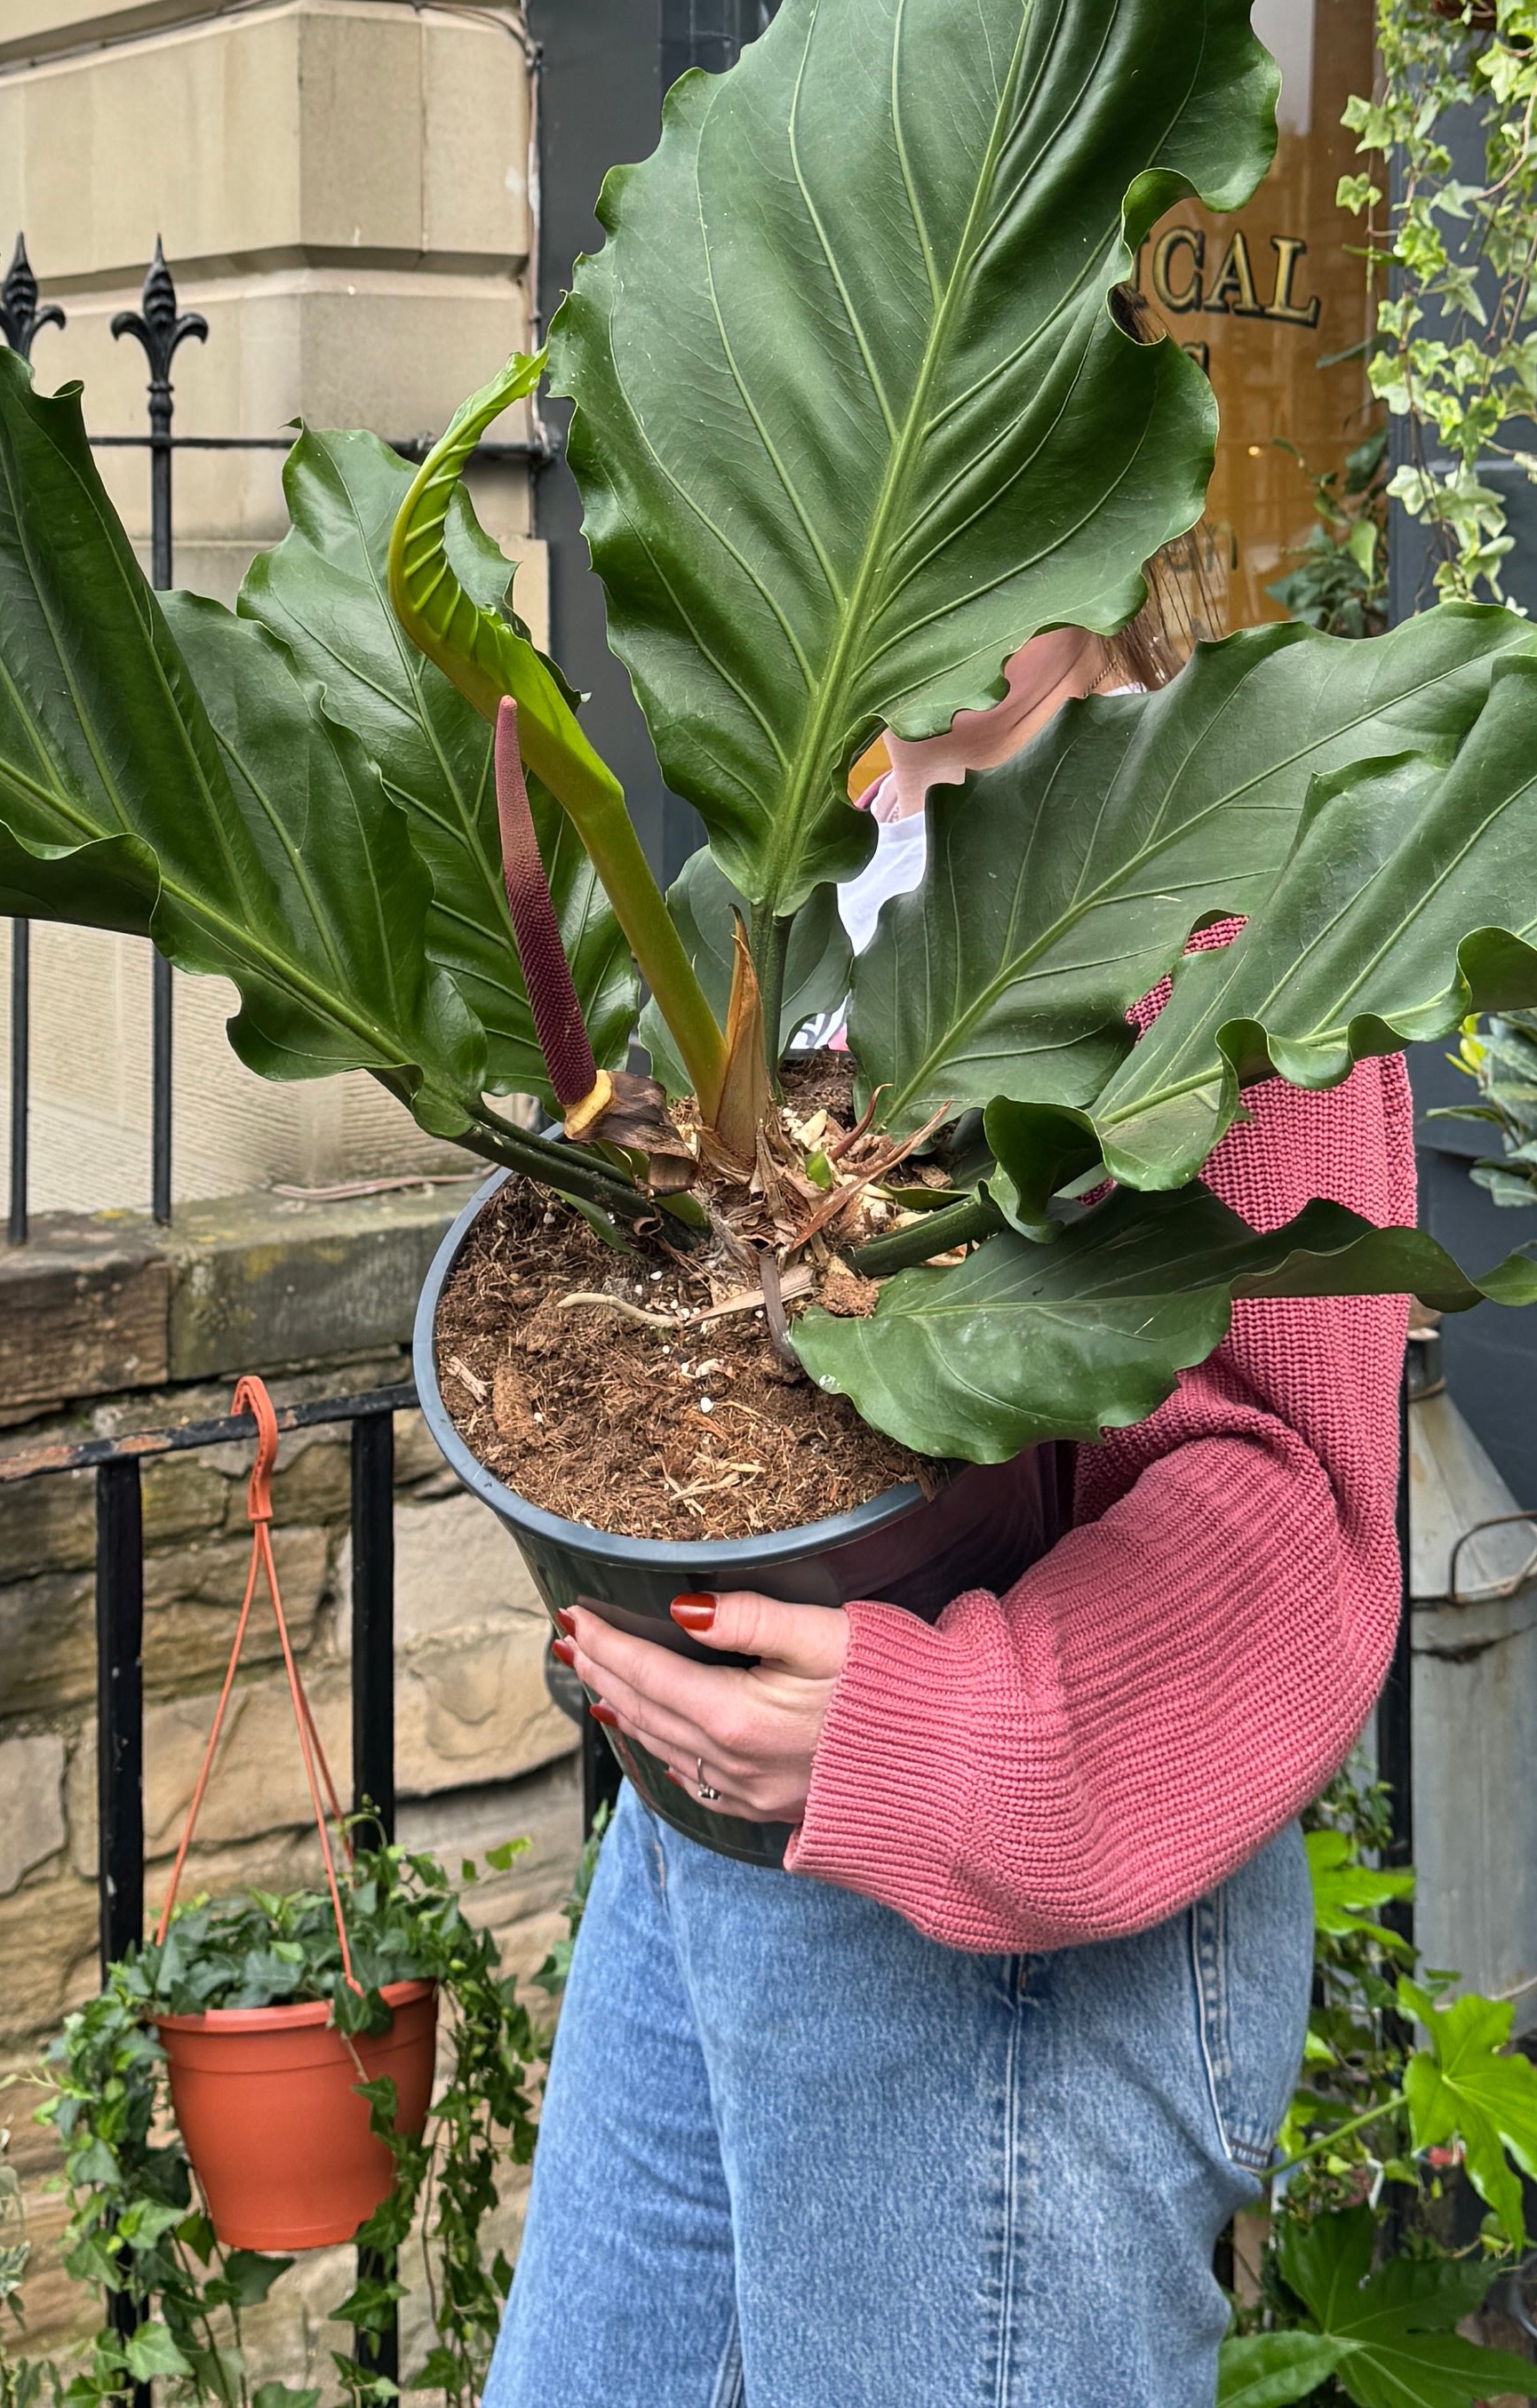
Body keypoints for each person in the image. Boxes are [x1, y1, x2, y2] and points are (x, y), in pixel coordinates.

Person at [487, 618, 1416, 2408]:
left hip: (1020, 1928)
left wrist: (937, 1729)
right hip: (700, 1850)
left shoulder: (1219, 861)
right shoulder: (794, 865)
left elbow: (1287, 1492)